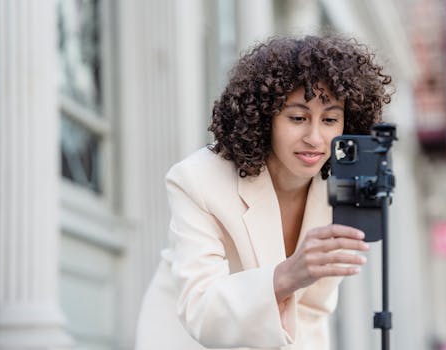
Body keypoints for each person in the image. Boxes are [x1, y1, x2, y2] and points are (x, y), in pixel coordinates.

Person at [135, 34, 392, 350]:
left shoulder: (339, 188)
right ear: (264, 117)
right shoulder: (196, 180)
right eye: (297, 118)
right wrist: (288, 275)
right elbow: (201, 308)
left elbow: (310, 315)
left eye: (329, 120)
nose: (315, 137)